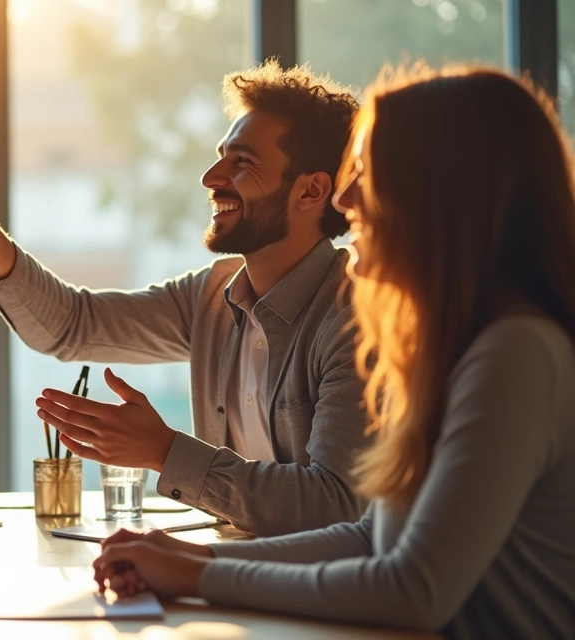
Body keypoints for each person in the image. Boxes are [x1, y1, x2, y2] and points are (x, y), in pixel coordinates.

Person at [92, 66, 575, 639]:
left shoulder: (516, 354)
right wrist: (195, 560)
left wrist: (197, 578)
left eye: (367, 172)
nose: (345, 201)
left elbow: (411, 588)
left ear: (442, 192)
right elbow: (371, 535)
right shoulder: (454, 351)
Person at [0, 62, 367, 536]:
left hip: (320, 594)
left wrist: (164, 451)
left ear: (311, 191)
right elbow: (72, 326)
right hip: (236, 571)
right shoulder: (210, 296)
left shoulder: (354, 318)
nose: (211, 177)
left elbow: (334, 505)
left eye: (243, 162)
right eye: (221, 156)